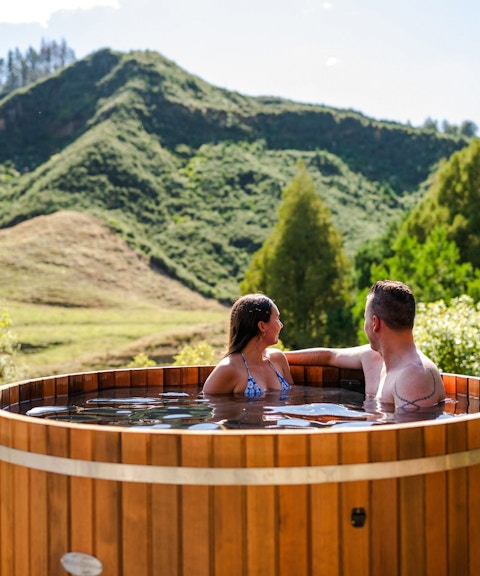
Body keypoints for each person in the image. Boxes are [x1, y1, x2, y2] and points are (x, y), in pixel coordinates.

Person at [285, 280, 446, 410]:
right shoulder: (373, 356)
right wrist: (273, 356)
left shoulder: (413, 376)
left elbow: (410, 443)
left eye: (365, 318)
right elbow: (329, 356)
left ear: (374, 323)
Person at [202, 293, 293, 397]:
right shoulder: (228, 369)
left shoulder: (278, 359)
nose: (281, 325)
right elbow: (210, 404)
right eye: (277, 318)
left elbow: (292, 398)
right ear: (262, 326)